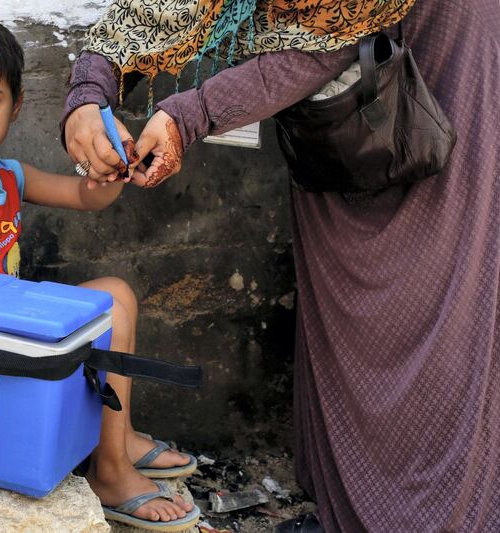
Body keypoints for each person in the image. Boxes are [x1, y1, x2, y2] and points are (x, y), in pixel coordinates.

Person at [63, 1, 500, 531]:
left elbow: (327, 39)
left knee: (437, 317)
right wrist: (88, 94)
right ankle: (350, 504)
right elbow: (156, 13)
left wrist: (190, 113)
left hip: (435, 96)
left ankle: (432, 517)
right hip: (347, 135)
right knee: (354, 324)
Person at [0, 13, 200, 531]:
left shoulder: (7, 175)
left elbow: (84, 195)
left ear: (16, 106)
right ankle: (111, 469)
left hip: (12, 331)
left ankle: (116, 437)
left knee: (116, 296)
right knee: (106, 315)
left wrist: (114, 162)